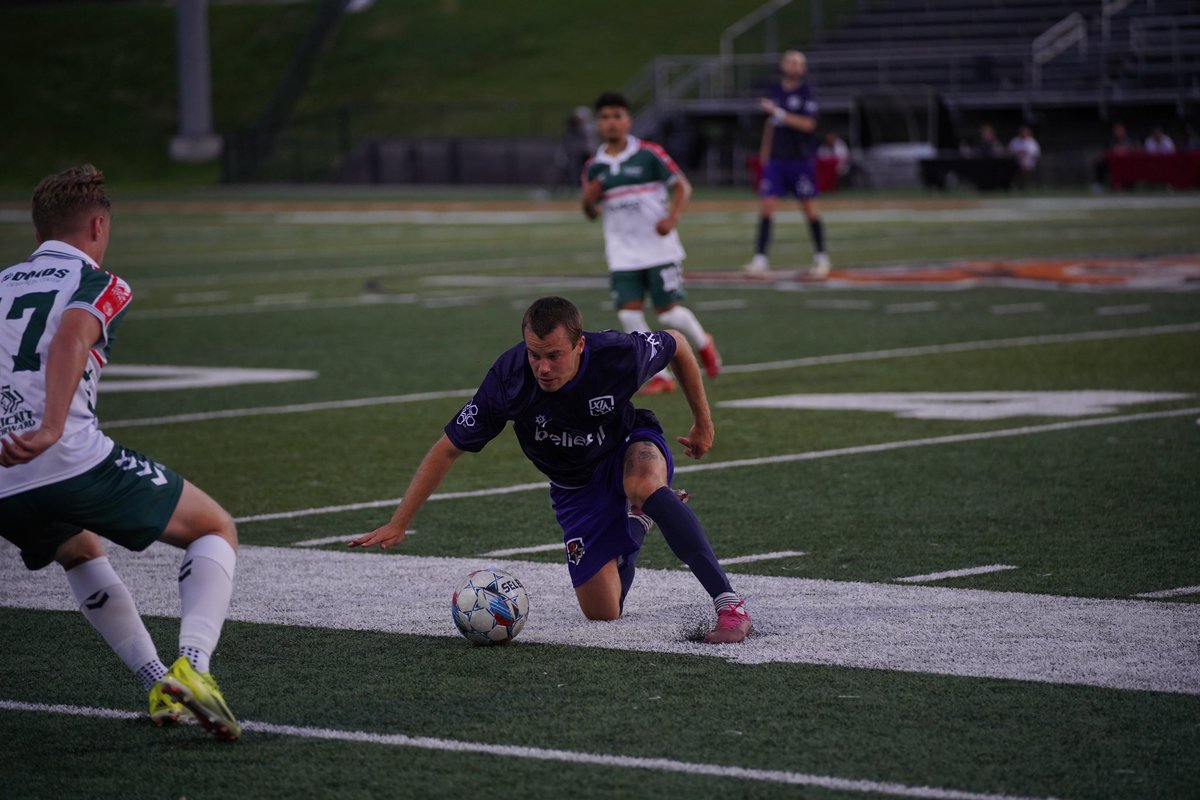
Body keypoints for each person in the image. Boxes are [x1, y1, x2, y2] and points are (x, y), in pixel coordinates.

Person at [350, 296, 753, 644]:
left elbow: (678, 344)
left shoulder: (616, 353)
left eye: (553, 355)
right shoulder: (508, 379)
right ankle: (637, 521)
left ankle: (729, 605)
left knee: (644, 482)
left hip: (627, 443)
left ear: (580, 345)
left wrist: (703, 422)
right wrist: (399, 523)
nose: (542, 367)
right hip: (573, 486)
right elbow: (448, 449)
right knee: (603, 612)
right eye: (534, 354)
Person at [0, 165, 241, 741]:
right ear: (99, 225)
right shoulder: (100, 281)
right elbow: (69, 336)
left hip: (2, 475)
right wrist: (51, 427)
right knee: (214, 528)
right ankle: (195, 670)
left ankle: (158, 680)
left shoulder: (2, 280)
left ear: (38, 234)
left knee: (80, 549)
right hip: (64, 456)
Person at [581, 91, 721, 396]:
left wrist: (673, 218)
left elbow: (682, 186)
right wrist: (589, 201)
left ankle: (704, 343)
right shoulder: (594, 166)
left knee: (668, 313)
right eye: (605, 117)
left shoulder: (649, 154)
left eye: (617, 116)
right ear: (598, 124)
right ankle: (661, 375)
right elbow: (591, 212)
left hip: (659, 250)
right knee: (629, 314)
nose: (611, 123)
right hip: (621, 254)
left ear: (628, 120)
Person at [745, 50, 831, 278]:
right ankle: (760, 259)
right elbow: (770, 124)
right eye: (789, 62)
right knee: (767, 207)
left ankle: (822, 257)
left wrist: (781, 114)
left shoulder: (806, 94)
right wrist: (764, 154)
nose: (793, 66)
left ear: (803, 69)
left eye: (797, 63)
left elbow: (808, 125)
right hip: (776, 160)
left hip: (800, 160)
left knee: (809, 209)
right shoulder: (775, 91)